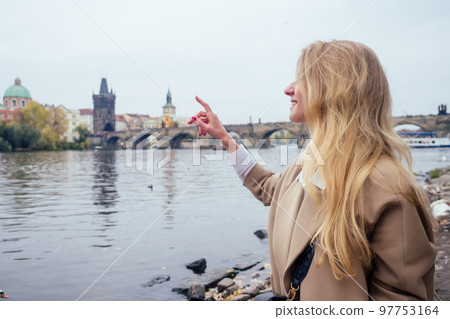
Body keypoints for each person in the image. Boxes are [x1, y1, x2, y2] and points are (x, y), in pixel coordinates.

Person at [187, 40, 437, 301]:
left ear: (333, 90)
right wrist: (226, 139)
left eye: (302, 79)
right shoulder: (309, 160)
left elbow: (403, 301)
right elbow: (270, 189)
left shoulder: (388, 187)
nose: (287, 89)